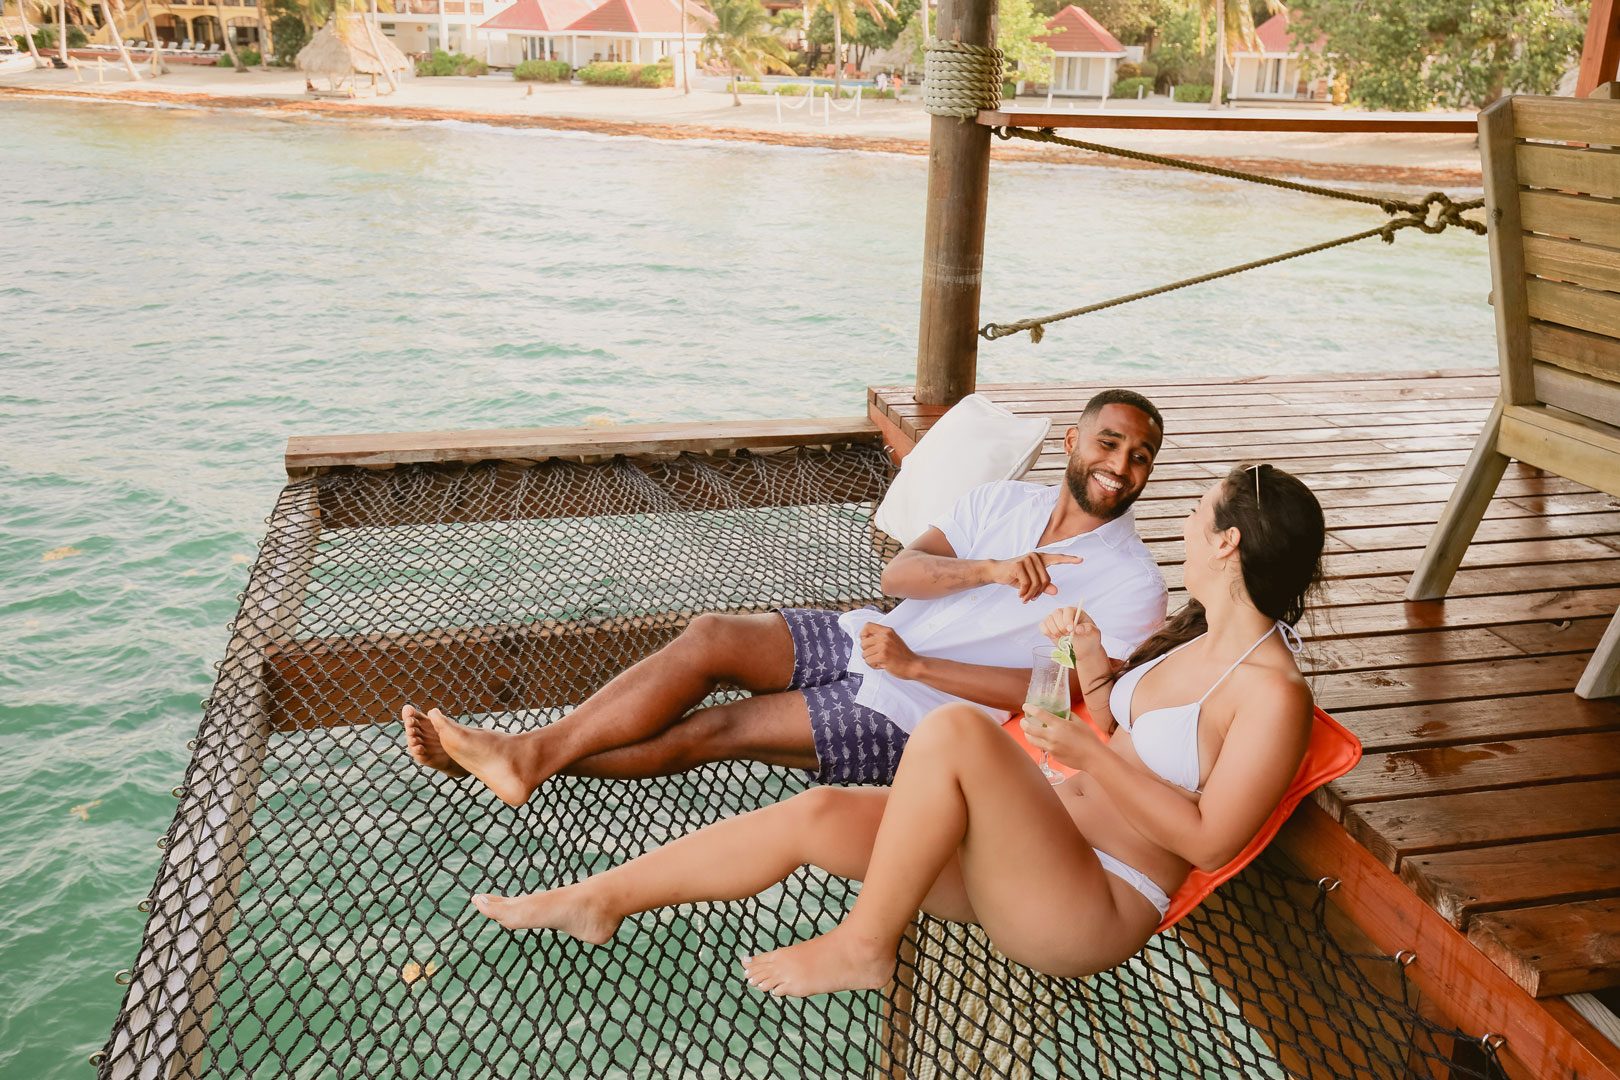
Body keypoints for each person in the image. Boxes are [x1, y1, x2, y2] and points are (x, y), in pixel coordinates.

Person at [470, 462, 1325, 998]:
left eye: (1197, 514)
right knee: (819, 814)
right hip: (1036, 843)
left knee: (954, 732)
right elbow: (1109, 728)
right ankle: (599, 899)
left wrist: (1086, 749)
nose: (1181, 524)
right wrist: (1091, 666)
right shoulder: (1199, 636)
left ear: (1227, 544)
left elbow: (1211, 843)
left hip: (1087, 902)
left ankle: (862, 944)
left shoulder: (1270, 693)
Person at [403, 389, 1168, 804]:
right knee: (710, 636)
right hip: (868, 635)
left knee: (716, 730)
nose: (1121, 464)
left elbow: (1057, 702)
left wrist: (920, 667)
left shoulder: (1132, 585)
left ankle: (519, 758)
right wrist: (989, 571)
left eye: (1140, 457)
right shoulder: (1001, 505)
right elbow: (898, 576)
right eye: (1109, 442)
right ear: (1072, 439)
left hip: (924, 714)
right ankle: (519, 758)